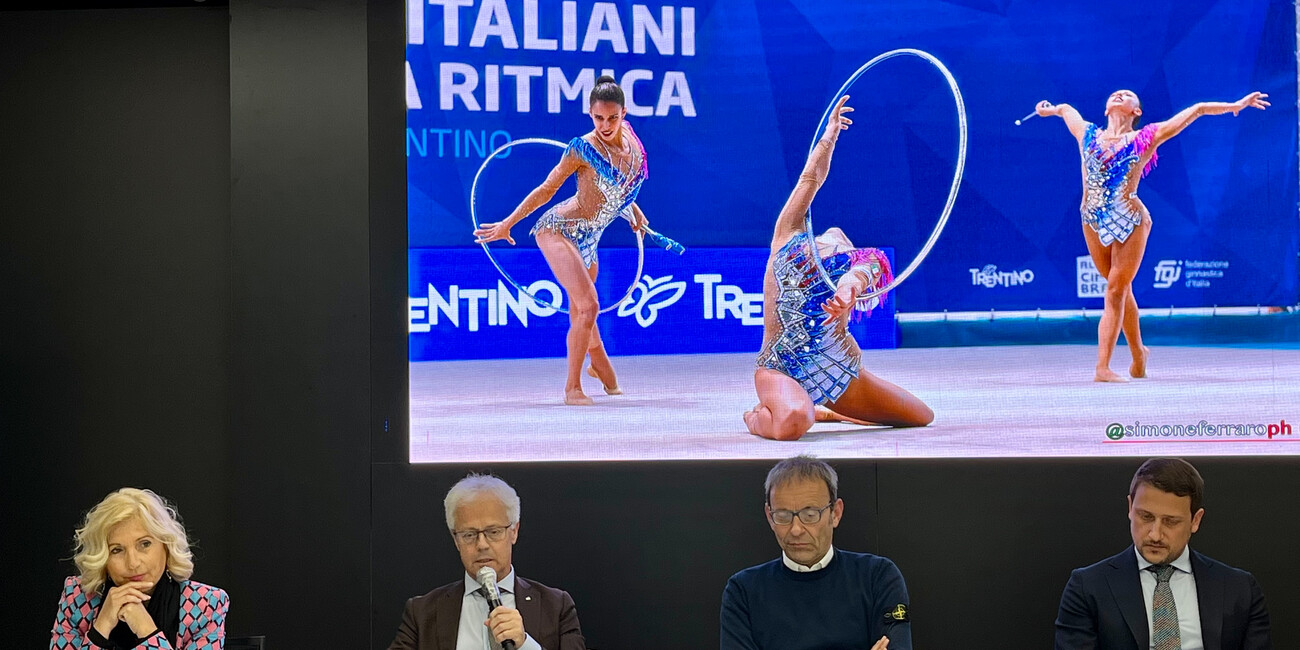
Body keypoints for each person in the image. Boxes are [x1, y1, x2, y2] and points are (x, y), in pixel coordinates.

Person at [1035, 90, 1269, 382]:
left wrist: (1234, 105)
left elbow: (1197, 108)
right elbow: (1066, 108)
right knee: (1120, 289)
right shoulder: (1087, 134)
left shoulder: (1146, 137)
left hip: (1130, 220)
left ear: (1136, 111)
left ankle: (1102, 367)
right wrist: (1050, 109)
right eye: (1116, 94)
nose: (1120, 94)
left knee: (1115, 290)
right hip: (1092, 219)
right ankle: (1139, 355)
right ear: (1106, 108)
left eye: (1127, 95)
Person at [745, 95, 933, 441]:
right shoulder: (788, 235)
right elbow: (810, 178)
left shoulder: (859, 261)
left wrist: (848, 291)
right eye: (830, 240)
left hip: (837, 368)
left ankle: (826, 409)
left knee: (921, 416)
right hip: (780, 368)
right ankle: (756, 415)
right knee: (793, 422)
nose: (835, 238)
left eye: (842, 245)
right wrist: (829, 137)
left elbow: (862, 272)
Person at [474, 76, 650, 405]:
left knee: (583, 312)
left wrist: (632, 209)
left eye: (612, 118)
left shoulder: (630, 139)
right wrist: (507, 224)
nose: (605, 125)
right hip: (559, 229)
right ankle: (572, 389)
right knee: (589, 306)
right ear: (590, 114)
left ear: (624, 114)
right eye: (598, 118)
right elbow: (547, 189)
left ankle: (600, 366)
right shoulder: (582, 148)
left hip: (591, 238)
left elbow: (618, 184)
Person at [1054, 458, 1271, 649]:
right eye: (1146, 517)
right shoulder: (1088, 587)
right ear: (1130, 508)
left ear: (1195, 521)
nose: (1155, 534)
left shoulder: (1239, 589)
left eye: (1170, 521)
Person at [720, 455, 909, 650]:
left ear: (835, 513)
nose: (796, 529)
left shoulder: (877, 577)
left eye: (810, 515)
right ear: (769, 517)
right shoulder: (743, 591)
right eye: (783, 516)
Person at [389, 474, 585, 650]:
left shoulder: (556, 606)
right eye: (469, 534)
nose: (482, 544)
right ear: (456, 539)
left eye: (493, 532)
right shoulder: (422, 612)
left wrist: (525, 644)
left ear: (514, 531)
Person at [49, 487, 229, 649]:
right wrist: (101, 628)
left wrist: (145, 629)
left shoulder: (205, 604)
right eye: (117, 550)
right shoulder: (78, 598)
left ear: (166, 546)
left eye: (144, 544)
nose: (133, 563)